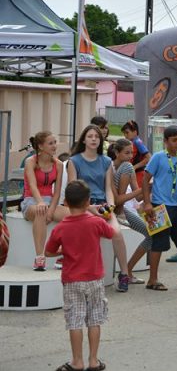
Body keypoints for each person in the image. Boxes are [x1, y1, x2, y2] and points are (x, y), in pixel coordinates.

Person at [45, 180, 112, 371]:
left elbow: (48, 252)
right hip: (94, 278)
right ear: (88, 201)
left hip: (72, 278)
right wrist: (104, 215)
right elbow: (111, 233)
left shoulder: (61, 227)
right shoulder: (96, 222)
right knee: (94, 319)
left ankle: (77, 361)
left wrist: (62, 251)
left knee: (74, 320)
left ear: (65, 202)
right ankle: (93, 360)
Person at [68, 125, 131, 292]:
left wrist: (110, 206)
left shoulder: (106, 162)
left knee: (116, 233)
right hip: (82, 206)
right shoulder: (74, 161)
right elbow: (72, 190)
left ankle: (124, 273)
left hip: (103, 204)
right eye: (90, 136)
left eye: (96, 136)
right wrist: (88, 207)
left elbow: (108, 189)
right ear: (83, 140)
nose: (94, 139)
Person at [142, 125, 177, 291]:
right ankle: (152, 279)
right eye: (174, 140)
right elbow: (146, 180)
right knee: (158, 243)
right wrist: (147, 203)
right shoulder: (158, 157)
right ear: (165, 141)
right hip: (160, 206)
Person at [21, 131, 69, 271]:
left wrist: (52, 210)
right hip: (31, 200)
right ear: (41, 147)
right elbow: (32, 186)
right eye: (51, 143)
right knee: (40, 211)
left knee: (73, 215)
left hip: (50, 201)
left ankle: (64, 253)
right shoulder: (30, 162)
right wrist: (40, 202)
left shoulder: (59, 164)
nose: (55, 146)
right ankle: (39, 258)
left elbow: (57, 192)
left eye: (55, 142)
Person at [108, 139, 149, 284]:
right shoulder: (113, 168)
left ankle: (128, 270)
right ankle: (127, 272)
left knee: (151, 235)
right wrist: (141, 190)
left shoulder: (128, 167)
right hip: (113, 209)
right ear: (117, 153)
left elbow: (137, 197)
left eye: (131, 152)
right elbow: (118, 200)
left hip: (122, 210)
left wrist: (148, 187)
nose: (130, 156)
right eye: (126, 152)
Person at [121, 120, 151, 187]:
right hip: (135, 173)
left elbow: (148, 157)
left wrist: (134, 167)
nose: (125, 135)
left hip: (139, 173)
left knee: (137, 194)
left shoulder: (138, 142)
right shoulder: (133, 142)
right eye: (124, 133)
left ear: (135, 132)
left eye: (127, 133)